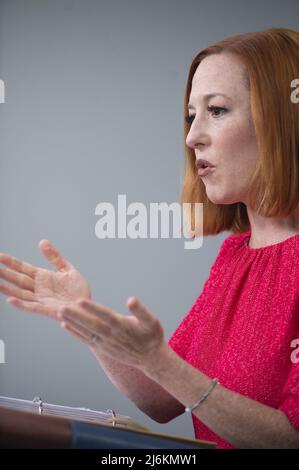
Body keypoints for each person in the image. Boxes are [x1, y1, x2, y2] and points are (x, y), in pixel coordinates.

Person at [0, 27, 299, 449]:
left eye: (216, 110)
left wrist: (161, 363)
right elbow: (163, 399)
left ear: (282, 120)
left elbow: (291, 438)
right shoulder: (235, 254)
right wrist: (84, 319)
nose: (192, 136)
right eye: (190, 116)